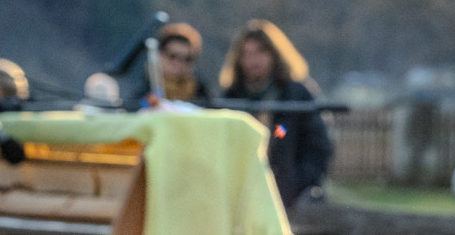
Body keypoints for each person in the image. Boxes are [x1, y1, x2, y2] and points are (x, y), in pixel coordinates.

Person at [219, 20, 333, 210]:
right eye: (246, 54)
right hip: (241, 196)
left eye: (259, 52)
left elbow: (319, 146)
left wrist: (298, 182)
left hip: (289, 197)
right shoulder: (231, 97)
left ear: (274, 54)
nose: (253, 61)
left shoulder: (296, 94)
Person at [118, 22, 211, 107]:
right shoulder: (144, 92)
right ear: (159, 55)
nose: (179, 63)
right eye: (173, 56)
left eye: (187, 59)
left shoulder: (202, 94)